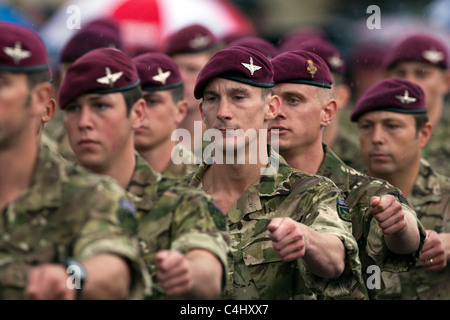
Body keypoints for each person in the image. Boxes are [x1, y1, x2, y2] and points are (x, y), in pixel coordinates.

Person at [185, 45, 363, 299]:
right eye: (213, 99)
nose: (223, 112)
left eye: (238, 97)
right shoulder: (177, 199)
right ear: (202, 112)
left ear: (270, 108)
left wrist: (307, 240)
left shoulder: (311, 193)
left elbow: (335, 259)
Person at [58, 47, 230, 299]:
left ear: (136, 114)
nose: (84, 121)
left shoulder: (183, 202)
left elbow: (207, 274)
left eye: (101, 106)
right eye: (73, 108)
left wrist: (187, 272)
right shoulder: (41, 200)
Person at [0, 21, 146, 300]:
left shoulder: (88, 194)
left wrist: (73, 276)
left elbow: (114, 270)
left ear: (41, 99)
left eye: (1, 84)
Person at [269, 50, 426, 299]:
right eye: (271, 101)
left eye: (293, 100)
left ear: (328, 112)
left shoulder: (362, 190)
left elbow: (409, 239)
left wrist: (398, 224)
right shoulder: (242, 185)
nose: (277, 111)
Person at [351, 77, 450, 300]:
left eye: (392, 126)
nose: (377, 138)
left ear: (423, 134)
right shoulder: (339, 196)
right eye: (366, 126)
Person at [383, 32, 450, 176]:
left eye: (422, 74)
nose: (409, 82)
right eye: (401, 73)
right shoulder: (370, 134)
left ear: (446, 81)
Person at [132, 51, 198, 179]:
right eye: (133, 102)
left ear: (180, 111)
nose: (140, 112)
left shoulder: (203, 182)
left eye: (152, 101)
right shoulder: (100, 176)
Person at [162, 24, 223, 154]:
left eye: (192, 69)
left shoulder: (225, 142)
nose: (182, 78)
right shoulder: (151, 138)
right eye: (175, 69)